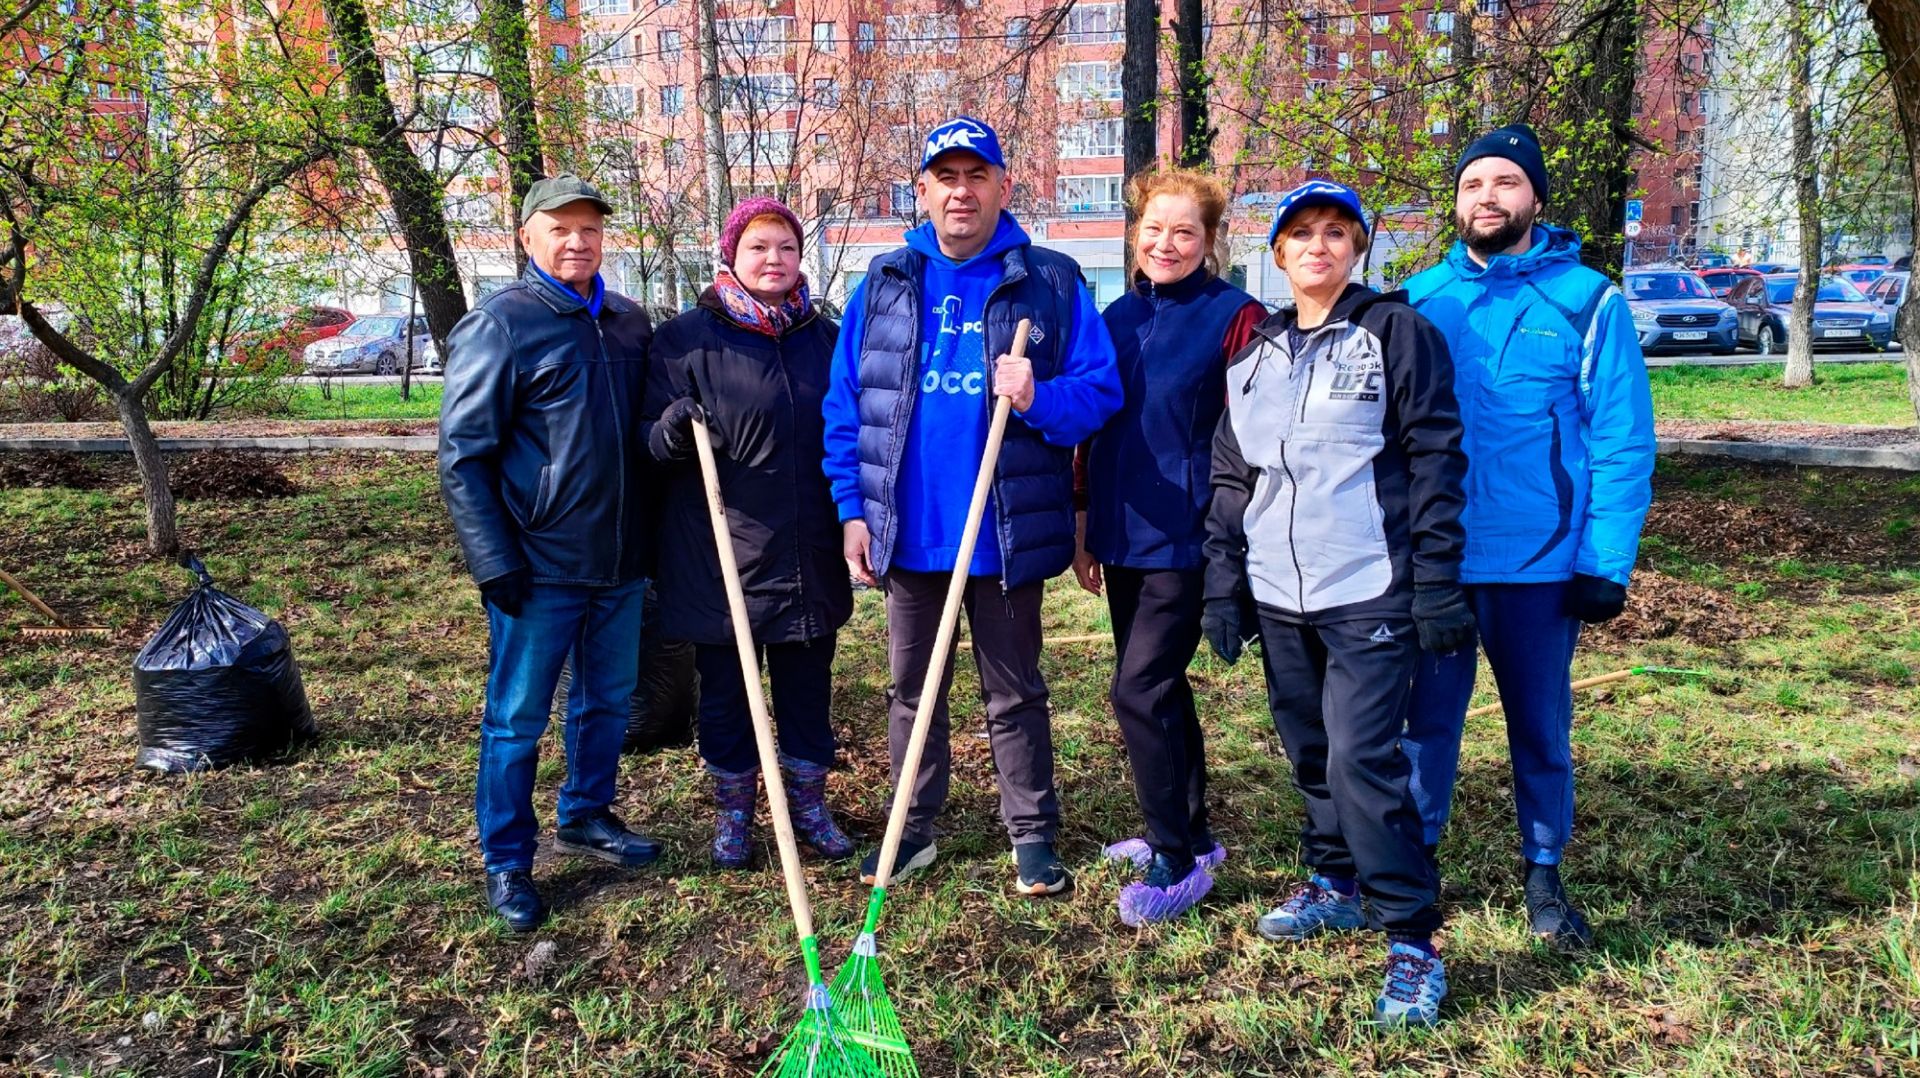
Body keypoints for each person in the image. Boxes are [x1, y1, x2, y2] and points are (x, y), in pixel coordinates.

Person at [821, 116, 1122, 896]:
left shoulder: (1048, 281)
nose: (961, 191)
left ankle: (1031, 834)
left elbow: (1100, 392)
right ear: (921, 191)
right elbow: (846, 406)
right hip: (911, 531)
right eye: (945, 178)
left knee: (1015, 690)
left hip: (1003, 530)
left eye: (976, 176)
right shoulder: (885, 283)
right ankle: (911, 830)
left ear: (1003, 187)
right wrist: (853, 510)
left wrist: (1037, 396)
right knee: (911, 692)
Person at [1204, 179, 1472, 1027]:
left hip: (1368, 588)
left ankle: (1413, 942)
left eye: (1334, 233)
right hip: (1280, 594)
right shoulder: (1253, 356)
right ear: (1276, 252)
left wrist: (1435, 580)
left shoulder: (1395, 333)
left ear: (1356, 248)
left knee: (1364, 760)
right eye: (1301, 234)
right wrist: (1226, 587)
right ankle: (1334, 880)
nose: (1317, 247)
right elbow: (1231, 479)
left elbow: (1436, 456)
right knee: (1311, 750)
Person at [1401, 124, 1656, 951]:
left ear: (1535, 198)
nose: (1488, 198)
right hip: (1437, 561)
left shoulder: (1588, 300)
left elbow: (1621, 437)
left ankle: (1543, 871)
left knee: (1540, 726)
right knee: (1425, 724)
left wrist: (1605, 560)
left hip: (1541, 563)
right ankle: (1417, 864)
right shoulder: (1414, 299)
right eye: (1474, 184)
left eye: (1506, 183)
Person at [439, 174, 661, 933]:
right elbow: (463, 455)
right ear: (528, 237)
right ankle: (507, 860)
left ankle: (588, 814)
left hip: (622, 561)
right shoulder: (501, 325)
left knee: (605, 703)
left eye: (589, 230)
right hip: (539, 565)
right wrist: (493, 559)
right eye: (560, 229)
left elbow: (646, 438)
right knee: (517, 719)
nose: (577, 242)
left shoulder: (632, 324)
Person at [1071, 168, 1266, 926]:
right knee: (1159, 687)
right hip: (1123, 533)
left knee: (1137, 691)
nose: (1167, 243)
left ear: (1210, 240)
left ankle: (1175, 861)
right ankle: (1194, 830)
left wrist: (1230, 541)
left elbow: (1250, 438)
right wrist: (1085, 519)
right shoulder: (1114, 318)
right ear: (1134, 234)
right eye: (1154, 229)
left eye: (1185, 231)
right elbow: (1095, 426)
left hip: (1189, 537)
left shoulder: (1234, 318)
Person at [642, 197, 856, 868]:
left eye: (786, 248)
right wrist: (672, 425)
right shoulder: (685, 341)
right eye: (759, 247)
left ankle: (808, 806)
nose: (774, 259)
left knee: (806, 690)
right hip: (720, 558)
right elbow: (646, 442)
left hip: (807, 553)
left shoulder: (825, 339)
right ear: (731, 255)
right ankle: (734, 815)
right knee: (728, 695)